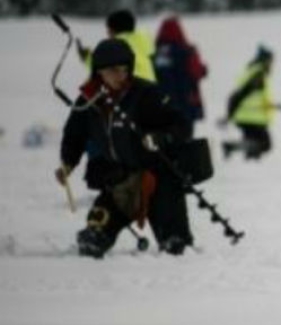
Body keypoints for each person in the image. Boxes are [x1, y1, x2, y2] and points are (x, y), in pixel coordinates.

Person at [55, 39, 194, 258]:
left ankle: (173, 237)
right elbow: (74, 135)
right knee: (91, 242)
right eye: (113, 70)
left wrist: (160, 138)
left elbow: (182, 125)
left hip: (156, 178)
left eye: (124, 69)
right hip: (118, 181)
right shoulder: (88, 101)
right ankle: (99, 233)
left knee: (176, 249)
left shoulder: (146, 93)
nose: (121, 75)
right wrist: (67, 163)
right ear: (99, 72)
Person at [153, 16, 208, 138]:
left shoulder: (154, 53)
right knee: (185, 141)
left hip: (161, 106)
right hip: (185, 103)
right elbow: (197, 72)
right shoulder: (186, 50)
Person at [222, 45, 275, 160]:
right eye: (270, 61)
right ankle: (231, 147)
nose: (272, 64)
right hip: (252, 116)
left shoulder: (253, 71)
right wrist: (231, 113)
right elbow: (242, 94)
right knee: (265, 144)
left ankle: (246, 160)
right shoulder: (258, 75)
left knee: (254, 145)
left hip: (249, 115)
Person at [78, 9, 157, 82]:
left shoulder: (115, 47)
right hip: (150, 91)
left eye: (108, 29)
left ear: (113, 30)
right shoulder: (141, 42)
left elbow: (101, 69)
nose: (107, 33)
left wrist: (87, 57)